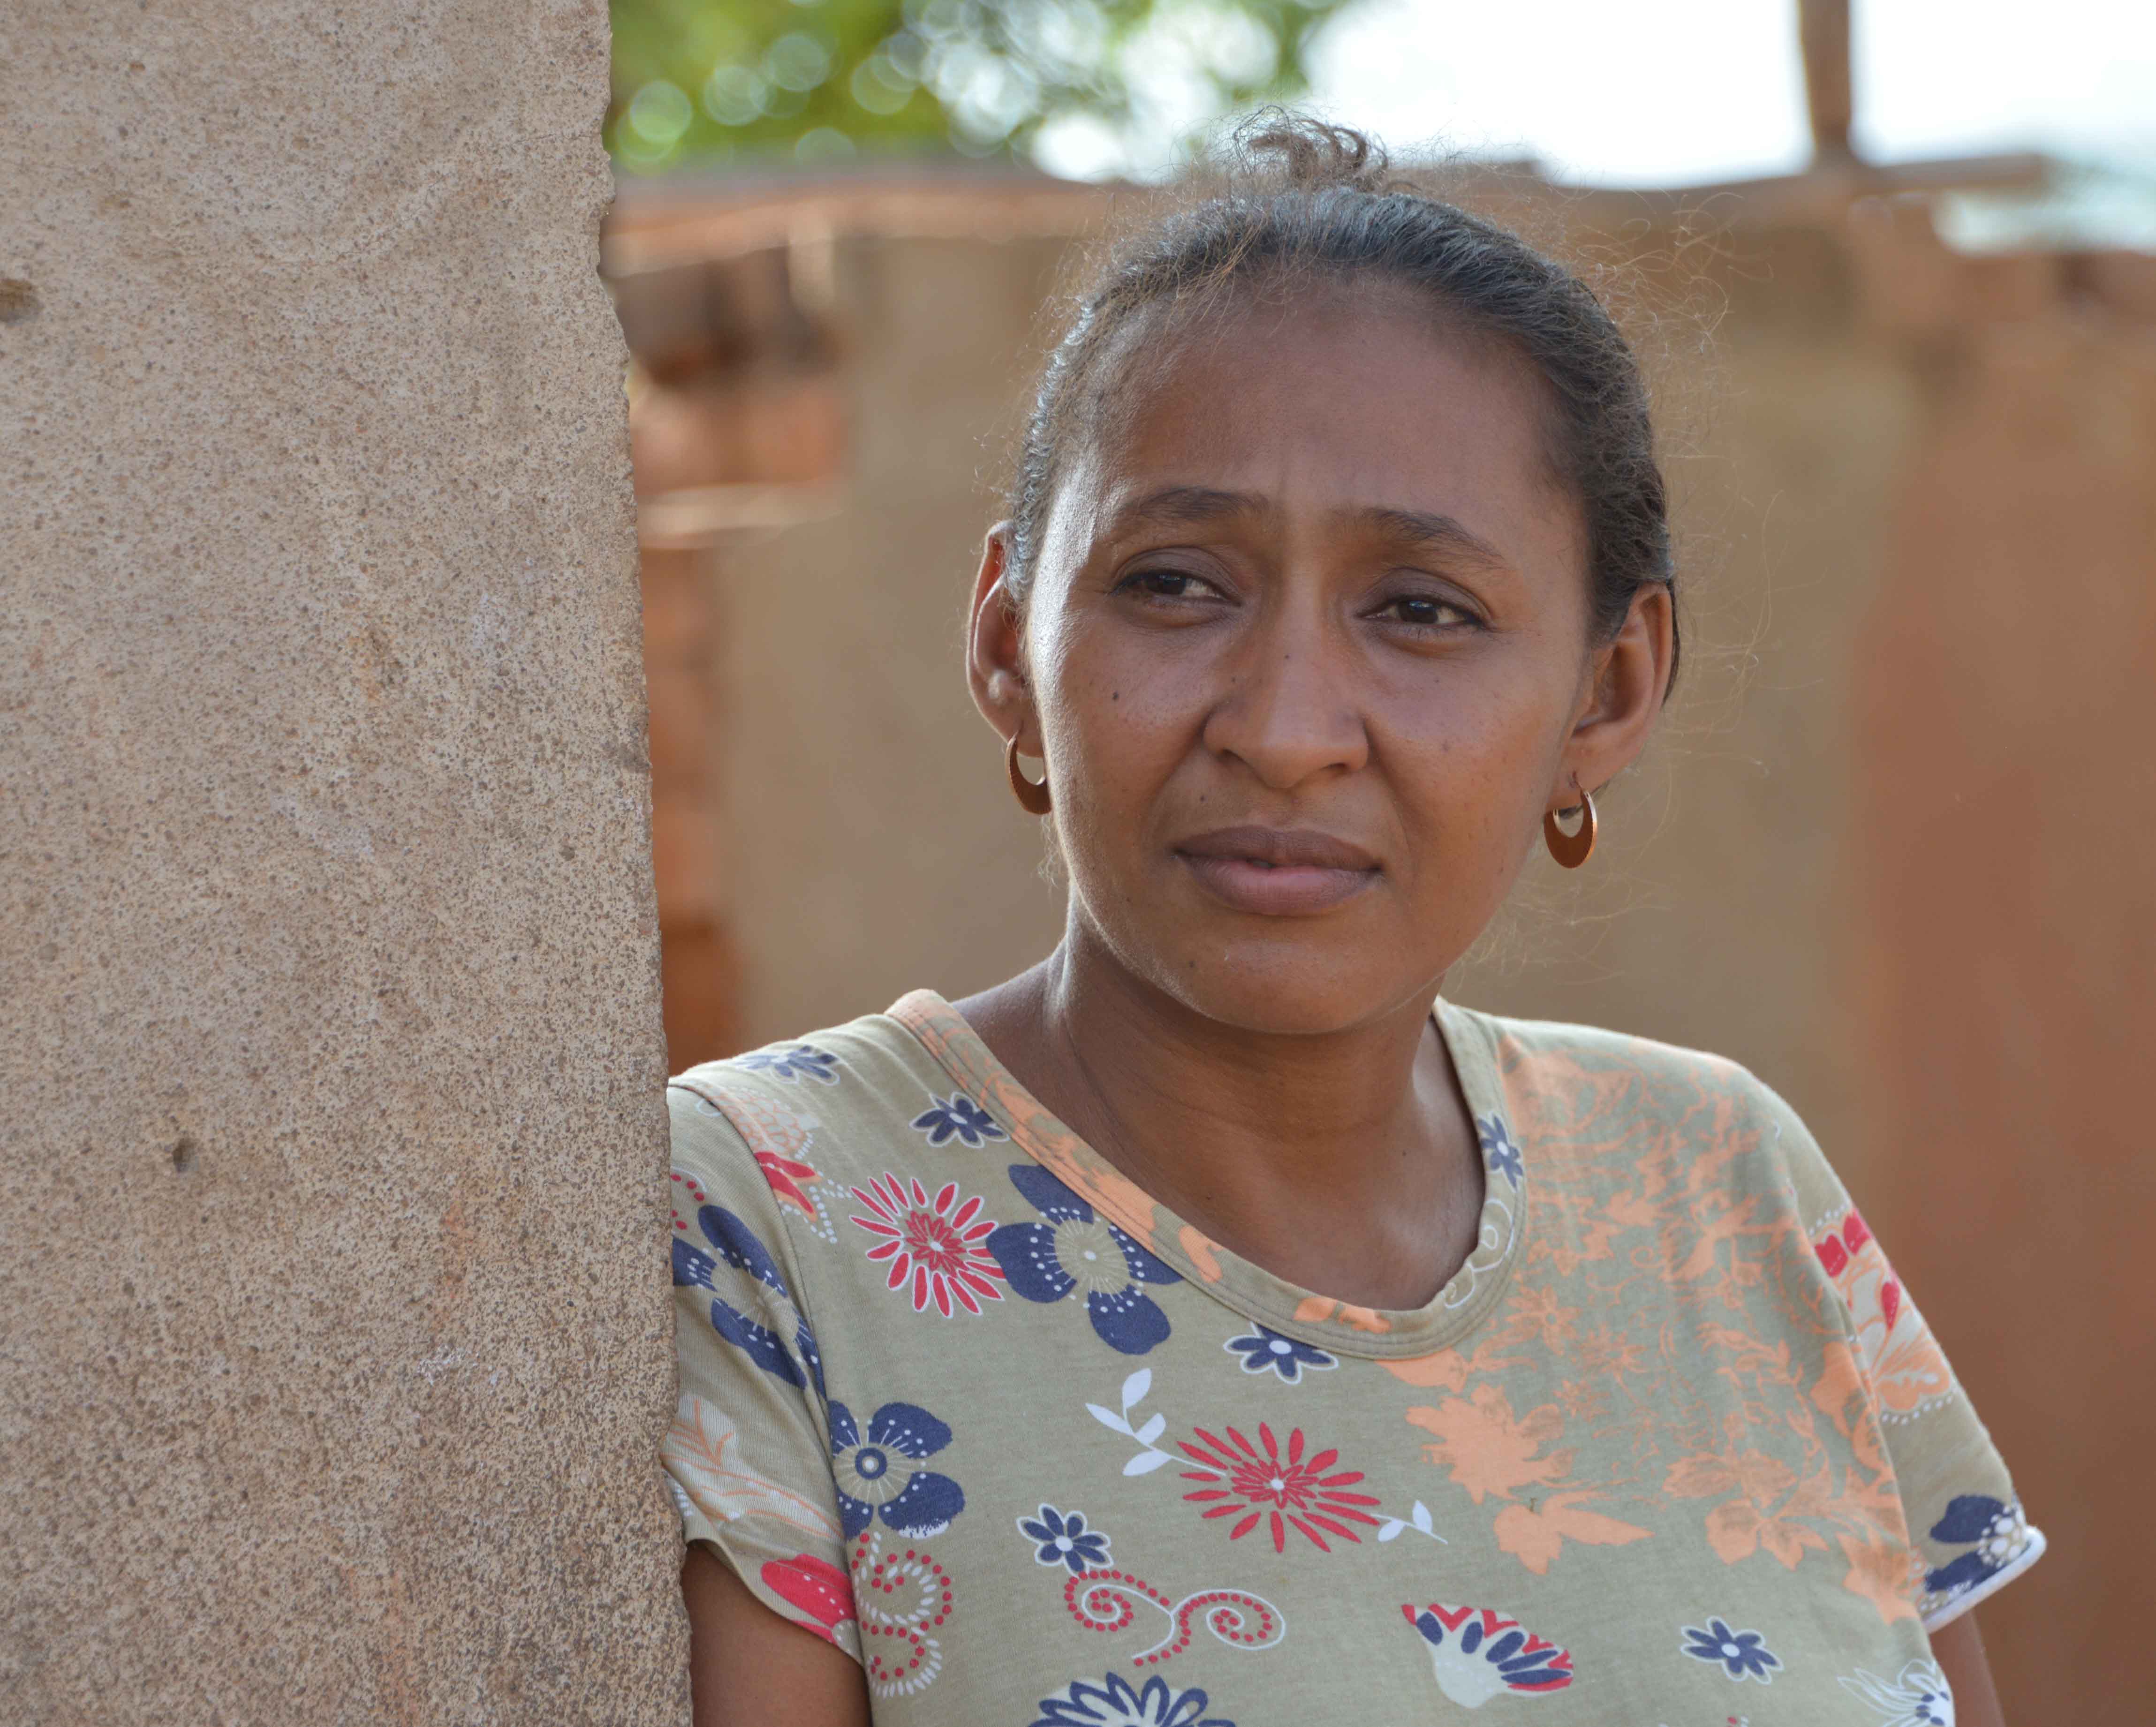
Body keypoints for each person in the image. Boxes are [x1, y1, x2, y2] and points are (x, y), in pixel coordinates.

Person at [662, 117, 2041, 1726]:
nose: (1287, 726)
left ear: (1608, 691)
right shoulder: (774, 1219)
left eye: (1422, 610)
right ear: (1007, 639)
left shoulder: (1723, 1191)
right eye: (1177, 583)